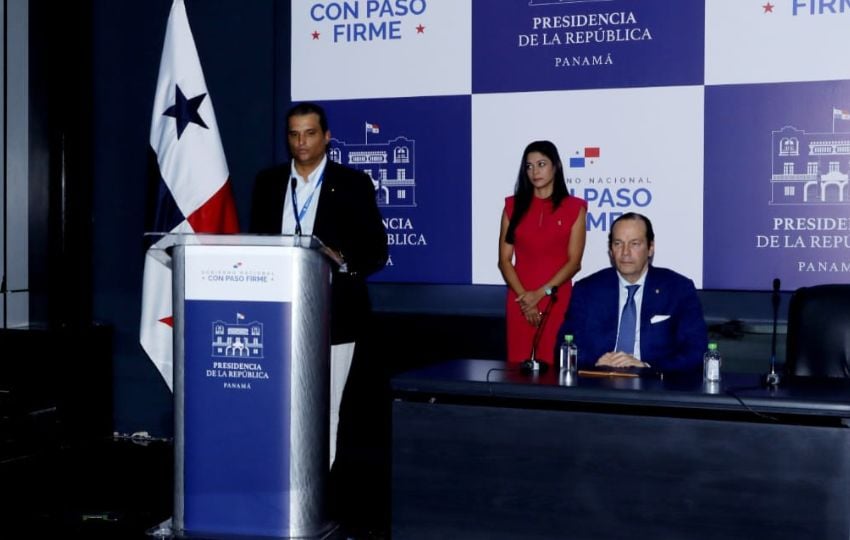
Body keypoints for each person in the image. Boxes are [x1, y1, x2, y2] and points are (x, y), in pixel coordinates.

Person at [249, 102, 388, 464]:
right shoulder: (268, 183)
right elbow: (255, 243)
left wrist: (341, 258)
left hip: (335, 312)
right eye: (294, 134)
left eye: (310, 133)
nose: (302, 142)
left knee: (326, 405)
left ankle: (318, 489)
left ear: (326, 137)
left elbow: (377, 250)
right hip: (276, 311)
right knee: (279, 400)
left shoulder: (353, 184)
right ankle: (278, 474)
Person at [556, 212, 708, 372]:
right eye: (618, 243)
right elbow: (565, 346)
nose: (625, 252)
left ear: (650, 248)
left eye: (634, 244)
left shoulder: (678, 289)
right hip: (598, 385)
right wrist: (598, 363)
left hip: (654, 386)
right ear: (610, 250)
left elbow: (695, 351)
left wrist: (647, 368)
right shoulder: (587, 289)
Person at [499, 140, 587, 367]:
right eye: (529, 166)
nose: (534, 171)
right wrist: (526, 300)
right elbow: (504, 260)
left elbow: (574, 263)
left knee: (553, 365)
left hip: (555, 298)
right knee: (518, 367)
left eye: (541, 164)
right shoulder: (512, 206)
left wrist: (540, 294)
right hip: (520, 298)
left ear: (555, 166)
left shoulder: (574, 207)